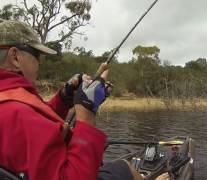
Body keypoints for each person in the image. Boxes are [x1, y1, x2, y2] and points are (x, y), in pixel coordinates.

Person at [0, 19, 141, 180]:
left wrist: (63, 99)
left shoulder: (9, 101)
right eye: (36, 55)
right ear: (15, 56)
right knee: (124, 168)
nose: (39, 62)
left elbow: (35, 125)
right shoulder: (16, 112)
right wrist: (86, 114)